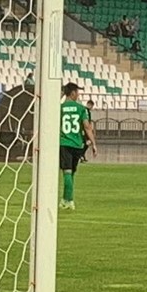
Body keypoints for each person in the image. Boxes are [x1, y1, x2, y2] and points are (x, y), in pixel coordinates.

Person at [59, 82, 96, 210]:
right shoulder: (81, 109)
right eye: (77, 92)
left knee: (67, 172)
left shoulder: (60, 108)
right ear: (73, 93)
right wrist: (94, 143)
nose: (78, 95)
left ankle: (69, 200)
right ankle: (65, 199)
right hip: (77, 144)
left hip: (64, 143)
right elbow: (87, 127)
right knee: (72, 172)